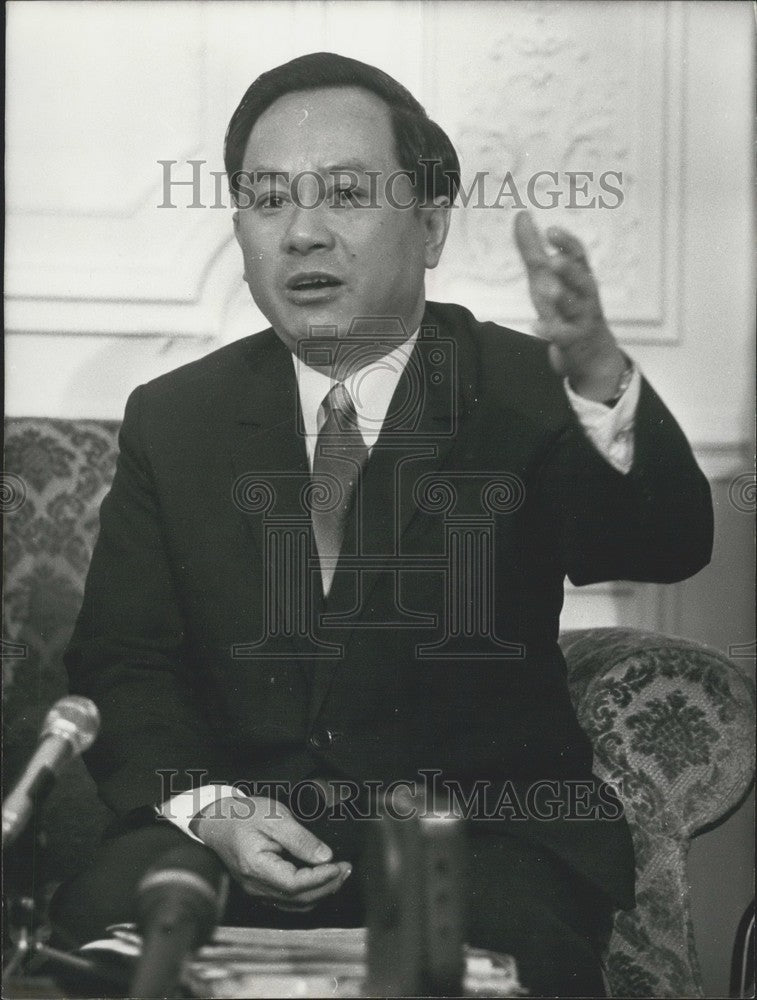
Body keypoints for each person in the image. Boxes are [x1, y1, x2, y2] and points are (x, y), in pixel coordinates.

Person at [52, 52, 713, 996]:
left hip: (478, 844)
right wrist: (217, 811)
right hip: (240, 836)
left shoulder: (524, 387)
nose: (303, 233)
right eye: (268, 199)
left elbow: (665, 544)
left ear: (432, 224)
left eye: (347, 195)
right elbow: (124, 662)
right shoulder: (175, 415)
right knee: (90, 943)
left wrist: (599, 379)